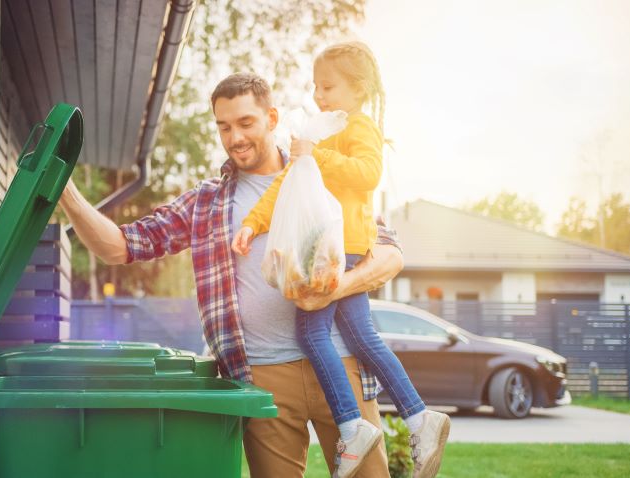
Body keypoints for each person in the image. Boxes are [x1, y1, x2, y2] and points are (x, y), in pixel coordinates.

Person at [59, 72, 403, 477]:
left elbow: (389, 256)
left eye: (245, 123)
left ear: (272, 118)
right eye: (224, 127)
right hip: (263, 374)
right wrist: (68, 192)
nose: (235, 137)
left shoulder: (324, 174)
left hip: (340, 361)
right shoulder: (207, 202)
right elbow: (120, 246)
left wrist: (336, 287)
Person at [232, 42, 450, 478]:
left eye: (328, 87)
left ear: (359, 88)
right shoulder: (322, 130)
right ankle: (419, 417)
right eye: (316, 86)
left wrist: (317, 154)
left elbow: (368, 173)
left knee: (311, 332)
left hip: (343, 246)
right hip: (330, 243)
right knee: (362, 336)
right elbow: (286, 183)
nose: (319, 95)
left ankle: (352, 425)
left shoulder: (359, 126)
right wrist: (253, 224)